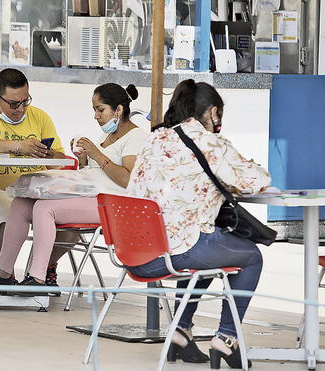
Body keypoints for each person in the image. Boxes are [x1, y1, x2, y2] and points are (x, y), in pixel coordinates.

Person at [126, 79, 270, 368]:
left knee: (207, 244)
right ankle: (227, 339)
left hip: (134, 253)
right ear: (213, 112)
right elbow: (258, 181)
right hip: (172, 253)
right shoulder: (208, 142)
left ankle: (181, 331)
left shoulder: (154, 138)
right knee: (251, 257)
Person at [0, 83, 148, 294]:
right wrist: (83, 160)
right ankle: (2, 275)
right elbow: (97, 174)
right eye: (94, 110)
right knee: (21, 204)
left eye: (100, 110)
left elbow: (128, 180)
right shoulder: (106, 137)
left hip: (114, 203)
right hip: (91, 196)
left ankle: (37, 278)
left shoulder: (137, 137)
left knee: (45, 208)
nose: (96, 116)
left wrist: (96, 154)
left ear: (118, 110)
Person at [0, 68, 77, 290]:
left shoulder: (40, 116)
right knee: (8, 211)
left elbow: (60, 157)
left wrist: (47, 153)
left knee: (71, 230)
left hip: (35, 192)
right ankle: (5, 276)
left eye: (25, 101)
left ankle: (42, 269)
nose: (21, 108)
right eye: (14, 104)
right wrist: (18, 146)